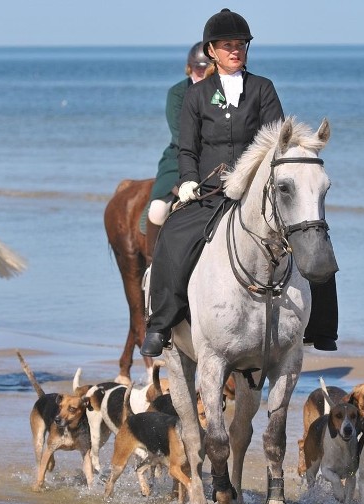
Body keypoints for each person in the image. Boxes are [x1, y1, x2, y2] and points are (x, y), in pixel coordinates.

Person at [141, 8, 338, 357]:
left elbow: (277, 141)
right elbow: (187, 148)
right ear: (211, 52)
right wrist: (187, 181)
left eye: (241, 45)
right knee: (172, 237)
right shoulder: (196, 96)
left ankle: (321, 327)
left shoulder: (263, 89)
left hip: (255, 191)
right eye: (227, 45)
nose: (235, 50)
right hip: (211, 190)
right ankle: (160, 326)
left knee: (313, 234)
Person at [143, 42, 212, 262]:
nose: (202, 72)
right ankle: (153, 265)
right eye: (198, 68)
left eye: (206, 68)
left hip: (214, 157)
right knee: (158, 210)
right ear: (189, 68)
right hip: (179, 157)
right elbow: (180, 133)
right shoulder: (177, 92)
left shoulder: (219, 92)